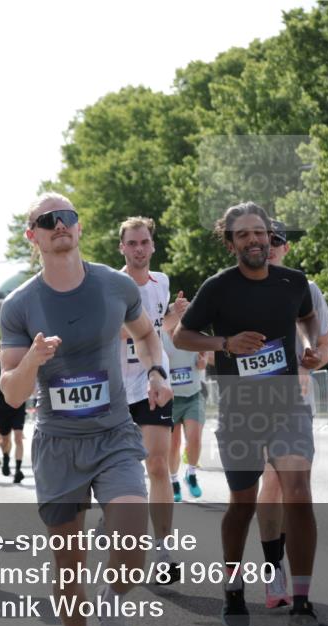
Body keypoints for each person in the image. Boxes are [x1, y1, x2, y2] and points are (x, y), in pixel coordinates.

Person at [0, 193, 172, 626]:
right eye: (48, 220)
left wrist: (158, 373)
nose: (61, 225)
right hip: (58, 444)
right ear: (32, 235)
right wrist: (33, 358)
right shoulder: (19, 305)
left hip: (114, 433)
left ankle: (112, 601)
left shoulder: (115, 287)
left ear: (79, 227)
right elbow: (12, 393)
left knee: (132, 541)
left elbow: (147, 336)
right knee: (68, 565)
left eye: (68, 217)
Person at [173, 201, 328, 626]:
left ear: (268, 236)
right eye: (242, 235)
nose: (254, 241)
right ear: (231, 243)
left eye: (259, 233)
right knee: (242, 504)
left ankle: (301, 603)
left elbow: (306, 317)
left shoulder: (293, 282)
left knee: (298, 493)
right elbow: (182, 334)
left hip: (287, 406)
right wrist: (225, 342)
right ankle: (233, 590)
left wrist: (310, 346)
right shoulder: (219, 287)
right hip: (241, 410)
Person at [249, 219, 328, 610]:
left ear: (286, 248)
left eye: (278, 241)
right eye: (264, 239)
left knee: (298, 490)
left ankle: (300, 591)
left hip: (299, 404)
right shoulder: (240, 288)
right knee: (272, 484)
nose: (270, 246)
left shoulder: (307, 289)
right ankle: (274, 570)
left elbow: (326, 347)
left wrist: (311, 362)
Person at [117, 216, 181, 581]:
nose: (139, 249)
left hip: (155, 381)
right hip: (117, 387)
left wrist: (174, 316)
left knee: (157, 464)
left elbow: (159, 329)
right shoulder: (112, 286)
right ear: (122, 248)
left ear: (152, 246)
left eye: (144, 242)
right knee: (123, 471)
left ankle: (162, 550)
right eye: (132, 244)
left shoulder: (162, 283)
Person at [160, 295, 210, 503]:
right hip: (171, 399)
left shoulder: (193, 334)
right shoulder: (160, 336)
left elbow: (204, 359)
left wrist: (202, 362)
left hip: (192, 395)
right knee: (173, 443)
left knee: (195, 438)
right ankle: (174, 481)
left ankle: (191, 473)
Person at [0, 347, 27, 483]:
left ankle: (18, 470)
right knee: (5, 439)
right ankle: (6, 459)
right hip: (1, 408)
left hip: (18, 406)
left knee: (18, 438)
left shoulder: (20, 366)